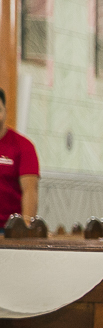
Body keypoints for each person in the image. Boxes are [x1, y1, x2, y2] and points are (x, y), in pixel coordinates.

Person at [0, 87, 40, 225]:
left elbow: (30, 190)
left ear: (5, 111)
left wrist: (26, 226)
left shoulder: (23, 146)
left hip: (8, 228)